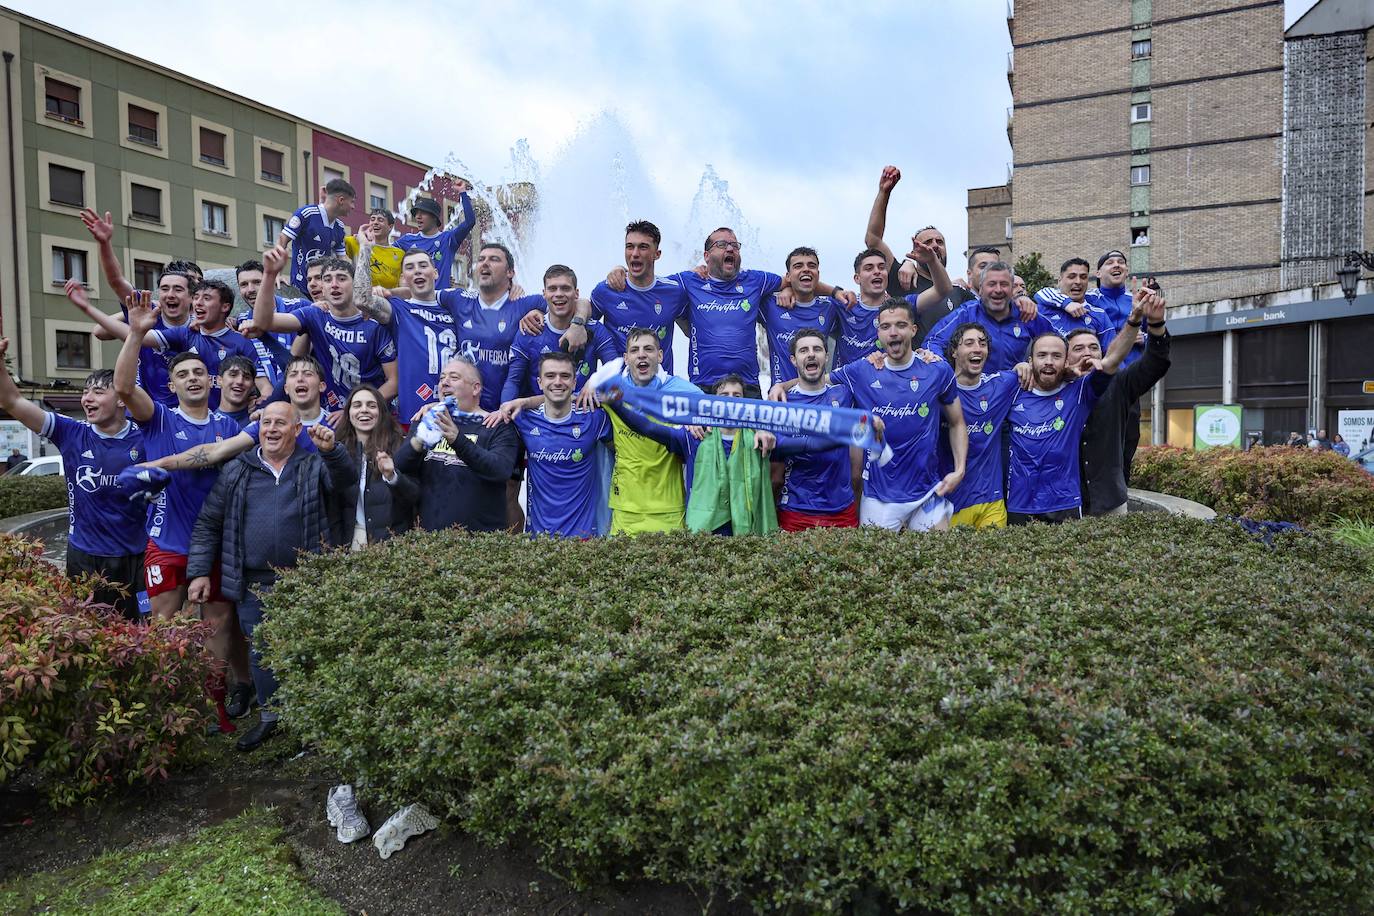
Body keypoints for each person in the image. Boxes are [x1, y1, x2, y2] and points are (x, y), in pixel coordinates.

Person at [114, 292, 252, 713]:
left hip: (216, 545)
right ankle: (169, 706)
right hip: (169, 543)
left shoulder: (229, 426)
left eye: (199, 372)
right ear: (172, 385)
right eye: (183, 374)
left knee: (220, 627)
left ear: (212, 382)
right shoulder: (159, 417)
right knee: (165, 625)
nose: (192, 378)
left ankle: (213, 705)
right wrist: (137, 332)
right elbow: (122, 386)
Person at [187, 402, 352, 751]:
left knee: (308, 649)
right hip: (254, 582)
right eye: (266, 422)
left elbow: (345, 482)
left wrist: (332, 451)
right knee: (261, 652)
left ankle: (311, 723)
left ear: (297, 430)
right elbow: (208, 524)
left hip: (305, 579)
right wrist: (200, 571)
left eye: (281, 423)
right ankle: (271, 717)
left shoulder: (312, 465)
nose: (272, 429)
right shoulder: (236, 470)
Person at [0, 340, 147, 617]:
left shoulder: (146, 435)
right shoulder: (72, 433)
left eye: (98, 392)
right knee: (87, 629)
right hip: (85, 555)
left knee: (139, 634)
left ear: (121, 399)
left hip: (135, 556)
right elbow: (12, 400)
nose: (86, 399)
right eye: (85, 391)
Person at [825, 299, 967, 532]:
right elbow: (816, 384)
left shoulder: (937, 370)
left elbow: (957, 422)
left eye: (900, 325)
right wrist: (779, 388)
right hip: (879, 497)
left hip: (927, 493)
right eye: (886, 327)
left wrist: (960, 469)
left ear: (913, 330)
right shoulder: (862, 370)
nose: (893, 332)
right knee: (876, 566)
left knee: (940, 562)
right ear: (878, 332)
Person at [602, 373, 780, 535]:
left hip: (748, 532)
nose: (730, 401)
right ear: (712, 403)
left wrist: (763, 428)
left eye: (737, 396)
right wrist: (616, 404)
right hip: (705, 534)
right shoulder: (695, 436)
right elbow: (649, 428)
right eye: (724, 396)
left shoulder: (759, 439)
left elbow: (800, 444)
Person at [1006, 318, 1140, 525]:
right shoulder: (1012, 390)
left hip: (1064, 505)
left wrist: (1134, 320)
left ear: (1066, 361)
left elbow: (1113, 359)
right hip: (1018, 504)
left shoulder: (1079, 392)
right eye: (1042, 355)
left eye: (1056, 356)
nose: (1049, 361)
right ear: (1030, 361)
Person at [69, 278, 268, 411]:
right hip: (183, 421)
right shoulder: (184, 334)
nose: (198, 303)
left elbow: (264, 388)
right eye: (196, 298)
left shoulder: (242, 343)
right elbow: (138, 337)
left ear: (225, 307)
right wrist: (88, 308)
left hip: (226, 423)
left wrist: (260, 406)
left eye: (206, 299)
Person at [252, 248, 397, 415]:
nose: (334, 284)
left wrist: (353, 410)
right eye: (327, 279)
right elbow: (263, 321)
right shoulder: (314, 314)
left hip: (372, 416)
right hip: (331, 417)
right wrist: (270, 274)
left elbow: (394, 382)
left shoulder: (374, 323)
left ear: (355, 283)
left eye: (342, 278)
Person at [393, 357, 519, 532]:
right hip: (429, 541)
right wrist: (419, 440)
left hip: (481, 543)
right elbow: (399, 467)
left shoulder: (497, 425)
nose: (444, 383)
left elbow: (500, 471)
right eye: (442, 378)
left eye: (454, 377)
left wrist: (457, 440)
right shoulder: (428, 420)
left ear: (476, 388)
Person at [1076, 285, 1171, 516]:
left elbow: (1154, 364)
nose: (1087, 352)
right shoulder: (1057, 390)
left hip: (1110, 501)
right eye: (1078, 348)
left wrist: (1156, 325)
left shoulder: (1118, 385)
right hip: (1069, 503)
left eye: (1094, 347)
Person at [509, 352, 614, 538]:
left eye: (565, 376)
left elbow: (624, 396)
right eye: (550, 376)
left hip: (583, 538)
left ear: (575, 383)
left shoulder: (595, 419)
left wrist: (593, 386)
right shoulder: (523, 419)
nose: (558, 382)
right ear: (539, 382)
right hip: (538, 539)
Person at [353, 245, 462, 424]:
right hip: (414, 416)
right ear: (403, 278)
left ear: (435, 273)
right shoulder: (399, 309)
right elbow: (361, 299)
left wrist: (514, 289)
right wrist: (365, 248)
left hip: (457, 413)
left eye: (422, 266)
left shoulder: (455, 307)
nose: (417, 271)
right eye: (410, 268)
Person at [772, 329, 860, 530]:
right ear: (794, 360)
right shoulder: (783, 405)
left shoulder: (845, 394)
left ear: (826, 357)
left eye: (817, 349)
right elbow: (775, 476)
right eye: (804, 350)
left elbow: (856, 465)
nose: (811, 354)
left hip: (842, 511)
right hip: (795, 510)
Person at [499, 265, 618, 406]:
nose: (559, 293)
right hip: (540, 420)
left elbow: (616, 373)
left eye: (565, 288)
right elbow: (513, 381)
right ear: (544, 294)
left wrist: (595, 384)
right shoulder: (530, 329)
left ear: (577, 293)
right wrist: (504, 412)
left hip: (583, 417)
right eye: (552, 289)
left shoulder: (596, 329)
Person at [942, 323, 1022, 529]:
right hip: (948, 503)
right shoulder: (938, 390)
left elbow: (1044, 371)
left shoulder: (1001, 384)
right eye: (969, 343)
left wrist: (1024, 366)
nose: (977, 348)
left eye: (982, 343)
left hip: (991, 502)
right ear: (953, 352)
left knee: (993, 560)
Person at [589, 221, 690, 372]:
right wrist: (539, 308)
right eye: (630, 247)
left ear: (657, 254)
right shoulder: (606, 290)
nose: (635, 253)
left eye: (643, 247)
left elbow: (692, 331)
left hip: (660, 390)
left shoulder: (674, 292)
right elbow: (582, 315)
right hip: (619, 390)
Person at [924, 261, 1056, 373]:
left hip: (1015, 395)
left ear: (1011, 289)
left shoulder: (1026, 313)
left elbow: (1058, 344)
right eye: (991, 284)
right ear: (980, 289)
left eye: (1004, 284)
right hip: (973, 395)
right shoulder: (966, 313)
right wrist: (942, 368)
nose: (998, 290)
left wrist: (1034, 368)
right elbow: (933, 343)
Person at [332, 384, 418, 548]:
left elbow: (414, 496)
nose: (364, 410)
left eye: (371, 405)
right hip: (348, 544)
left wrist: (392, 477)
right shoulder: (338, 451)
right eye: (357, 405)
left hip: (391, 544)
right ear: (348, 414)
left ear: (382, 413)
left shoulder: (400, 446)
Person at [761, 247, 840, 385]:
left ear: (818, 274)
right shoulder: (770, 305)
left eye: (812, 266)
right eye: (798, 266)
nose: (806, 269)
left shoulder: (830, 308)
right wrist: (786, 288)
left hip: (819, 398)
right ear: (788, 276)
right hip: (781, 398)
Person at [277, 179, 355, 296]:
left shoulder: (339, 227)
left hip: (325, 292)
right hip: (300, 289)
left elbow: (342, 260)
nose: (353, 207)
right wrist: (276, 274)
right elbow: (282, 239)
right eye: (352, 202)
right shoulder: (307, 214)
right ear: (341, 200)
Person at [394, 183, 475, 290]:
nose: (418, 217)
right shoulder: (407, 240)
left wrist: (462, 192)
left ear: (434, 217)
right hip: (416, 301)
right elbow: (386, 252)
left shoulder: (448, 239)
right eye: (416, 213)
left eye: (423, 213)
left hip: (440, 302)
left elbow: (470, 222)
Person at [1033, 258, 1117, 340]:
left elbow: (1111, 351)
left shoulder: (1099, 315)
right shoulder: (1043, 308)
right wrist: (1066, 303)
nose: (1078, 282)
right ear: (1059, 281)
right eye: (1072, 277)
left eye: (1083, 277)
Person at [344, 208, 404, 290]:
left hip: (388, 300)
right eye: (372, 219)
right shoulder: (355, 242)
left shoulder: (400, 254)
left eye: (380, 220)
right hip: (360, 298)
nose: (375, 222)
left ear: (390, 227)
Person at [216, 356, 260, 428]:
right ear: (219, 380)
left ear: (253, 386)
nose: (240, 381)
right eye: (233, 375)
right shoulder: (206, 423)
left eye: (247, 377)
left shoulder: (260, 422)